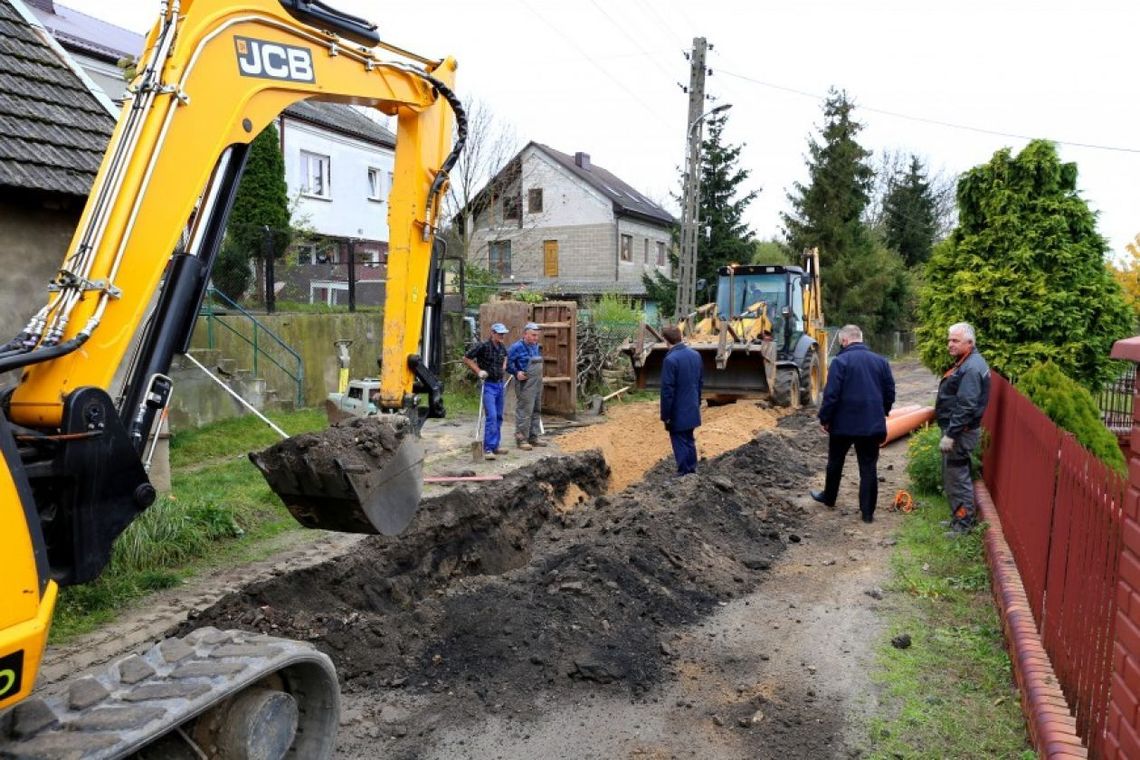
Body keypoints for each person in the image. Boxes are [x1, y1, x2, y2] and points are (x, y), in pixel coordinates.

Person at [811, 324, 896, 523]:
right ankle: (867, 513)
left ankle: (829, 498)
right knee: (868, 467)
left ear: (844, 340)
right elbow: (890, 392)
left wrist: (825, 419)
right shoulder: (881, 362)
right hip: (871, 426)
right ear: (860, 338)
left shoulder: (840, 362)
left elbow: (831, 395)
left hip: (843, 426)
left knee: (835, 462)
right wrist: (882, 411)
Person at [936, 322, 991, 536]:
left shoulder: (971, 368)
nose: (950, 344)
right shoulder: (966, 362)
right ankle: (957, 519)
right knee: (953, 476)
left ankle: (964, 525)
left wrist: (951, 434)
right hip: (959, 430)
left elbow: (966, 405)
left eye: (955, 341)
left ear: (970, 343)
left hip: (961, 433)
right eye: (949, 340)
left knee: (958, 477)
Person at [660, 325, 703, 476]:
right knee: (689, 440)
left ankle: (684, 473)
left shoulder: (670, 360)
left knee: (679, 441)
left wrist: (666, 415)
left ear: (666, 340)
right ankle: (691, 470)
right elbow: (699, 382)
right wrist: (697, 403)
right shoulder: (695, 355)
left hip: (677, 411)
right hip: (692, 407)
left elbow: (667, 391)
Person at [463, 322, 510, 460]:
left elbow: (505, 356)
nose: (502, 336)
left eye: (503, 334)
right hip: (488, 385)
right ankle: (488, 448)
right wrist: (479, 371)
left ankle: (495, 446)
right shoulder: (483, 346)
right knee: (492, 416)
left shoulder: (502, 347)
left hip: (499, 384)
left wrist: (503, 366)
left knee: (499, 416)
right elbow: (466, 358)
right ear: (493, 333)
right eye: (499, 334)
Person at [508, 322, 546, 450]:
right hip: (525, 383)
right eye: (533, 335)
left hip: (537, 382)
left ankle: (533, 437)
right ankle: (521, 439)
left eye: (537, 336)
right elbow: (508, 364)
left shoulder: (536, 346)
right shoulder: (516, 347)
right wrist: (516, 372)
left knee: (536, 409)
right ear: (525, 334)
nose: (536, 338)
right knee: (525, 411)